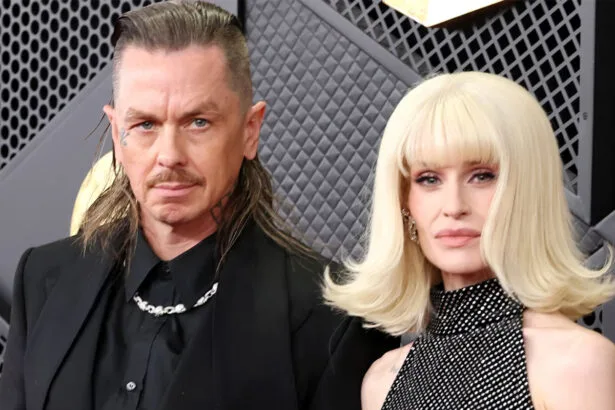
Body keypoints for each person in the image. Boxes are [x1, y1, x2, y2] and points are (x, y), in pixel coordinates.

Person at [0, 2, 398, 409]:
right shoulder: (43, 279)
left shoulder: (334, 320)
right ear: (118, 134)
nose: (169, 155)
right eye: (145, 125)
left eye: (198, 122)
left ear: (250, 130)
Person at [324, 71, 615, 410]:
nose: (454, 206)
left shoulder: (576, 364)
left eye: (482, 176)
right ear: (404, 202)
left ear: (527, 190)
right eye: (429, 179)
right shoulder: (382, 380)